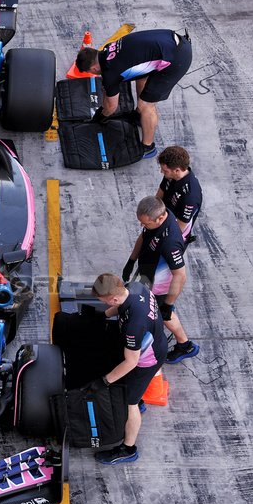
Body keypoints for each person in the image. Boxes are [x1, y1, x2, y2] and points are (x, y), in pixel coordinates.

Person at [91, 273, 170, 465]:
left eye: (103, 301)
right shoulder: (134, 287)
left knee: (130, 402)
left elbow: (131, 362)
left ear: (114, 298)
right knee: (128, 385)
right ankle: (137, 397)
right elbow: (120, 307)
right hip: (154, 341)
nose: (102, 303)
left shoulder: (135, 324)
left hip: (147, 360)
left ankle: (128, 449)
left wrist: (104, 381)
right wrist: (102, 316)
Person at [74, 29, 192, 157]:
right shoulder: (109, 48)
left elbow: (111, 106)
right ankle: (140, 115)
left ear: (94, 68)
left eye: (91, 72)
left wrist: (101, 116)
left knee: (146, 105)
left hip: (177, 59)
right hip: (172, 40)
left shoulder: (110, 71)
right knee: (140, 74)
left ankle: (148, 147)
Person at [121, 196, 198, 364]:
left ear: (160, 218)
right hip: (148, 275)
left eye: (146, 223)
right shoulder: (158, 217)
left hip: (159, 285)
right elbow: (144, 236)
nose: (142, 226)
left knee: (165, 315)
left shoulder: (170, 243)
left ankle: (185, 345)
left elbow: (180, 275)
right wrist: (131, 260)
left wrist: (168, 304)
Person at [156, 145, 202, 239]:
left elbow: (178, 229)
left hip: (171, 234)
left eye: (165, 170)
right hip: (161, 219)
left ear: (177, 170)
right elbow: (158, 197)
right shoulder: (171, 175)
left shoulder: (190, 197)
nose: (161, 172)